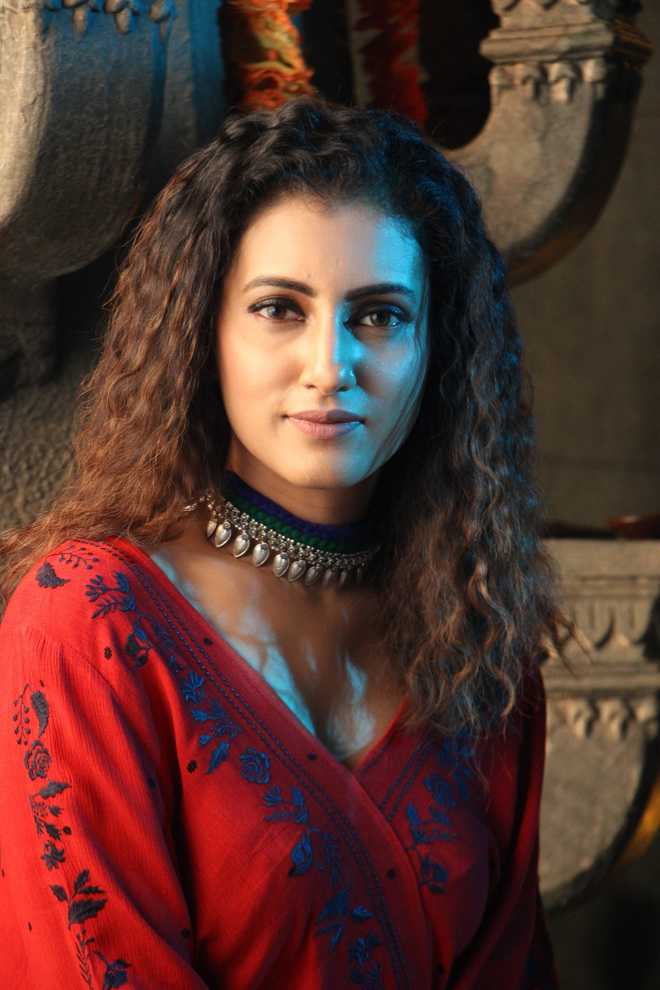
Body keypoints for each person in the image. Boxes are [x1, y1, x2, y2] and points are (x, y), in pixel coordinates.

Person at [0, 94, 568, 988]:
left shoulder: (480, 636)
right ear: (204, 332)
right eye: (278, 309)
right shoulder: (90, 624)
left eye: (379, 315)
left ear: (439, 348)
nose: (330, 367)